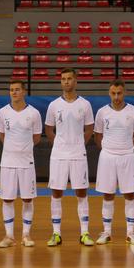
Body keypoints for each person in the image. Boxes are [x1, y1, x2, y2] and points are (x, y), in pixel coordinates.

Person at [44, 68, 94, 246]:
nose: (66, 82)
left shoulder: (85, 104)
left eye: (69, 79)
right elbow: (49, 129)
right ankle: (56, 234)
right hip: (59, 155)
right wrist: (58, 143)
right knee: (57, 192)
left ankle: (85, 233)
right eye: (63, 79)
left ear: (76, 81)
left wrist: (79, 144)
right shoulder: (54, 105)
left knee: (81, 192)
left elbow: (89, 129)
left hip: (78, 154)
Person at [93, 80, 134, 245]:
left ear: (125, 92)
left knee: (130, 194)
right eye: (113, 93)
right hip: (107, 157)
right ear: (109, 93)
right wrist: (108, 149)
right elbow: (97, 135)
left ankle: (131, 232)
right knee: (108, 194)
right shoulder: (101, 112)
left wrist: (127, 149)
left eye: (119, 93)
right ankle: (106, 232)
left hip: (127, 156)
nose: (116, 96)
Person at [0, 80, 42, 248]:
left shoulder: (34, 113)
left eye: (17, 90)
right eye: (11, 90)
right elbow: (2, 135)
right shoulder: (2, 112)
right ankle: (9, 236)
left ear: (24, 92)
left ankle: (26, 235)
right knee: (7, 199)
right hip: (7, 162)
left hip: (26, 162)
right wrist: (12, 149)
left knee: (27, 199)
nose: (14, 92)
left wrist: (23, 149)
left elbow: (36, 137)